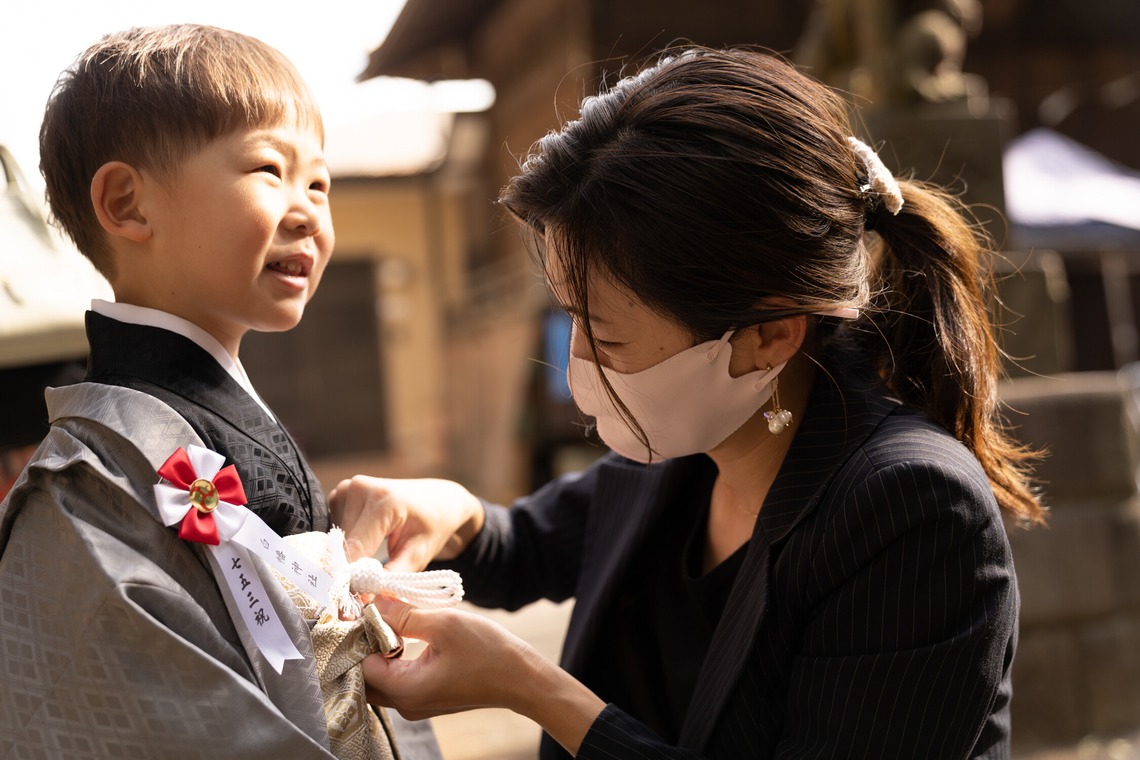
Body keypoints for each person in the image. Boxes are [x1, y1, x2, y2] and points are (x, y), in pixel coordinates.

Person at [334, 45, 1046, 759]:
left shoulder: (911, 510)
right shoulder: (690, 444)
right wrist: (449, 515)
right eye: (569, 317)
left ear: (770, 337)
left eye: (606, 334)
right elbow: (531, 544)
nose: (577, 359)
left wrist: (534, 689)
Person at [0, 25, 440, 760]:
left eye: (319, 183)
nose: (307, 210)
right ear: (128, 204)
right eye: (270, 170)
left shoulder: (196, 418)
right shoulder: (88, 483)